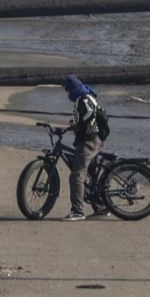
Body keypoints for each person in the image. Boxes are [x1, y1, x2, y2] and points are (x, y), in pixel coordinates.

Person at [62, 75, 104, 221]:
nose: (68, 95)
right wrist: (75, 124)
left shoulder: (84, 98)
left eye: (68, 92)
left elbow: (88, 114)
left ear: (73, 89)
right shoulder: (86, 96)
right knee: (91, 175)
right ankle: (101, 207)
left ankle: (78, 211)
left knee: (76, 176)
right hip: (94, 139)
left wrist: (77, 125)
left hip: (89, 141)